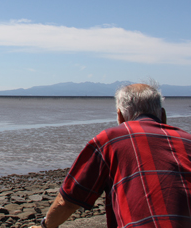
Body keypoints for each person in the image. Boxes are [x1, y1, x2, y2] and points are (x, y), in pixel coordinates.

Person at [31, 83, 191, 228]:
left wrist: (45, 226)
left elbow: (68, 201)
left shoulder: (109, 141)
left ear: (120, 116)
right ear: (162, 116)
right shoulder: (188, 141)